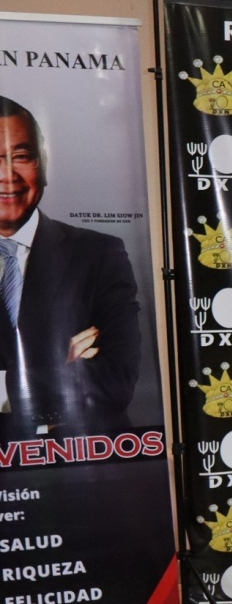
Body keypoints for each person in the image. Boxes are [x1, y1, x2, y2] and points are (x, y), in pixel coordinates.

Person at [0, 96, 141, 437]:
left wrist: (8, 389)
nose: (7, 176)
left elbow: (116, 383)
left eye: (22, 157)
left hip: (85, 457)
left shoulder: (100, 254)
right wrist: (58, 370)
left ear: (43, 164)